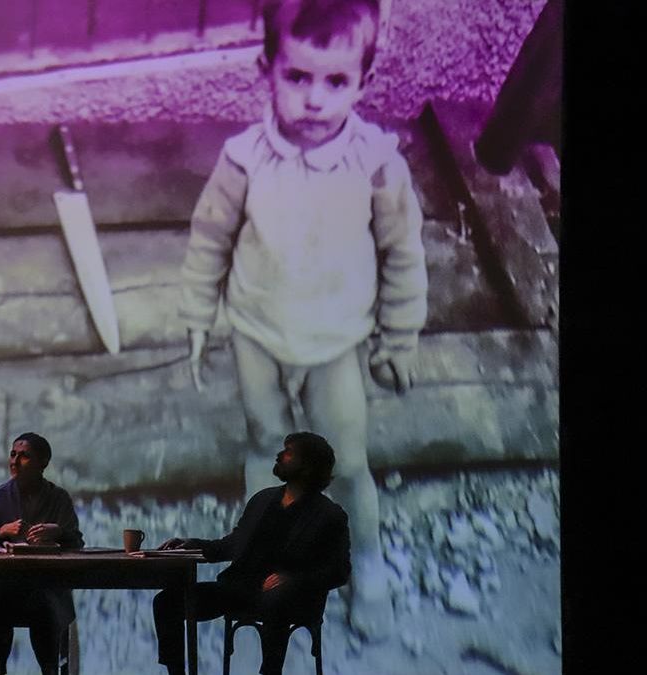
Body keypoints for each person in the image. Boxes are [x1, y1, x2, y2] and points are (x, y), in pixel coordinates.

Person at [180, 0, 426, 639]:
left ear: (363, 82)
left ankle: (365, 561)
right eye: (298, 77)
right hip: (257, 330)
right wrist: (198, 314)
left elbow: (402, 252)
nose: (315, 99)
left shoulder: (375, 163)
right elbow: (210, 237)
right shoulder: (244, 159)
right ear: (268, 70)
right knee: (265, 447)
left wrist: (398, 336)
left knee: (344, 461)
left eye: (336, 81)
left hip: (334, 340)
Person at [153, 432, 349, 675]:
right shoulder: (263, 500)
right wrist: (191, 544)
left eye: (288, 453)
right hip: (240, 589)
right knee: (166, 602)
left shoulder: (329, 515)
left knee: (276, 599)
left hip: (293, 598)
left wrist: (293, 579)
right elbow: (234, 544)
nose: (279, 455)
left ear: (307, 467)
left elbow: (339, 571)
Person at [0, 432, 84, 675]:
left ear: (42, 463)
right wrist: (1, 531)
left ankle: (50, 669)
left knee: (45, 607)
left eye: (24, 456)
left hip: (48, 589)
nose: (15, 461)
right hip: (8, 588)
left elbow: (77, 542)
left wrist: (57, 532)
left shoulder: (58, 498)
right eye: (13, 454)